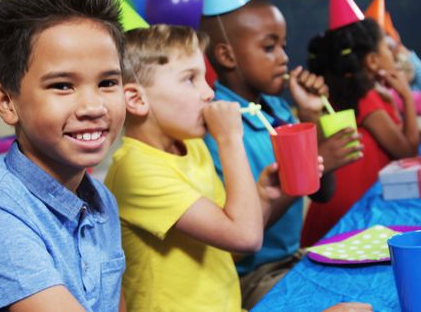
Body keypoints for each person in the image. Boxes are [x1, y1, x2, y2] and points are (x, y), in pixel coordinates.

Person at [104, 24, 323, 311]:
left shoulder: (192, 146)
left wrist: (264, 195)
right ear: (136, 99)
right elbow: (246, 237)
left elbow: (231, 246)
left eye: (205, 79)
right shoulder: (135, 170)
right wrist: (230, 138)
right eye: (190, 79)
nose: (208, 93)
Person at [0, 0, 127, 311]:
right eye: (62, 85)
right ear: (7, 101)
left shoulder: (102, 201)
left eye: (108, 82)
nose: (93, 106)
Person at [199, 0, 365, 309]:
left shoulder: (274, 109)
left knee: (369, 288)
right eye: (269, 47)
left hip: (294, 257)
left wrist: (310, 115)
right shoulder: (220, 128)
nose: (284, 58)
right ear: (226, 55)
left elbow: (322, 194)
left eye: (284, 46)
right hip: (251, 277)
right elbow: (241, 238)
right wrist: (313, 167)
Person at [301, 16, 421, 246]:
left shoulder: (341, 97)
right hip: (353, 217)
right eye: (387, 48)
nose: (393, 55)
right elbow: (408, 152)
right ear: (373, 61)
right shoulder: (368, 100)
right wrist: (406, 96)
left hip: (329, 216)